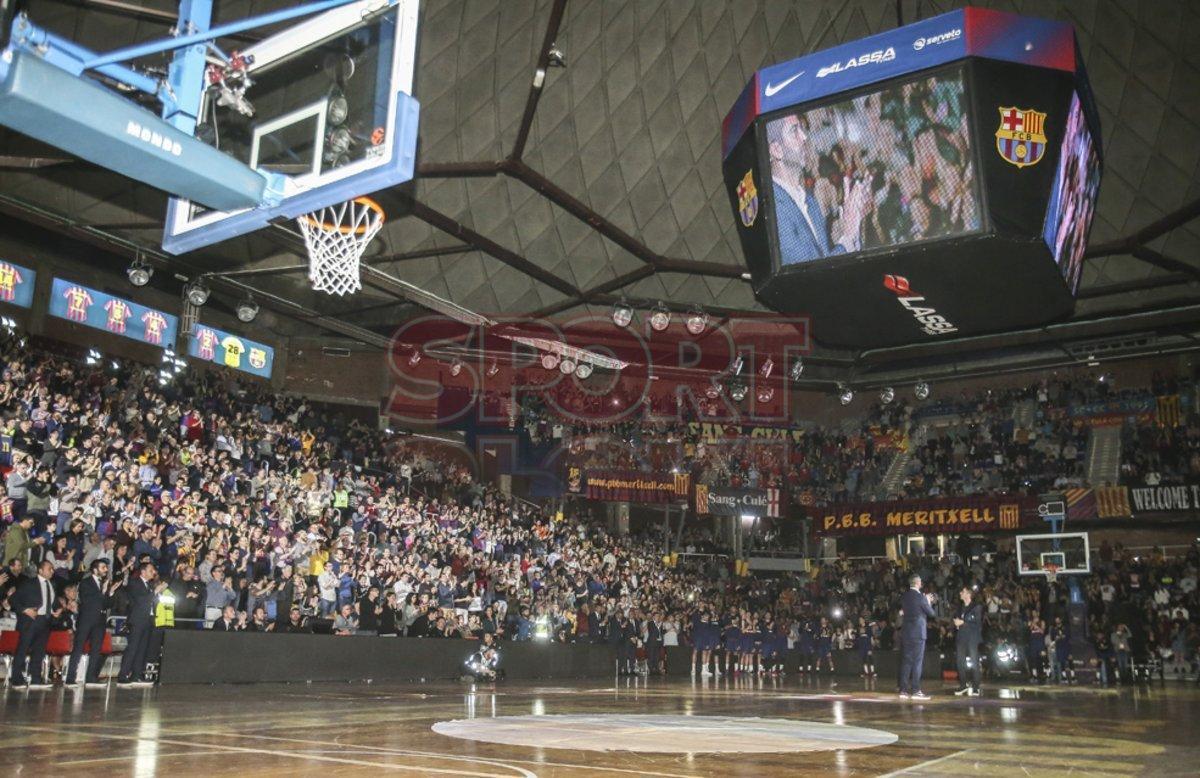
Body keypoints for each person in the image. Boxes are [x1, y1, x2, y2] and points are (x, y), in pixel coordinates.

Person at [766, 114, 873, 264]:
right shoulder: (773, 207)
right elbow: (810, 271)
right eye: (794, 131)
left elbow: (827, 261)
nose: (804, 137)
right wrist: (847, 238)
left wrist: (853, 224)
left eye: (802, 129)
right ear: (777, 150)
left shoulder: (810, 201)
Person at [11, 560, 57, 689]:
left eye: (53, 569)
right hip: (30, 621)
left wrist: (55, 611)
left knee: (39, 650)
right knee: (23, 649)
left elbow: (50, 603)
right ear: (40, 571)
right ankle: (16, 679)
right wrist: (25, 610)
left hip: (45, 621)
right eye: (49, 569)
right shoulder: (29, 583)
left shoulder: (51, 584)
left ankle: (36, 679)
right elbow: (13, 599)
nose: (52, 571)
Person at [66, 559, 112, 687]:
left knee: (96, 649)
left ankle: (91, 677)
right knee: (78, 648)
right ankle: (70, 678)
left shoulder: (104, 584)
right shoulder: (86, 583)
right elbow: (87, 600)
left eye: (106, 568)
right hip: (87, 619)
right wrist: (102, 592)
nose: (106, 570)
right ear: (95, 570)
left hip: (100, 620)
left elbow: (107, 604)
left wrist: (110, 592)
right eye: (103, 567)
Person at [117, 562, 159, 687]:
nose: (153, 572)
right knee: (133, 647)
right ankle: (123, 675)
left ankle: (137, 675)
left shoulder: (150, 585)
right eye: (151, 570)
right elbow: (141, 600)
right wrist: (155, 592)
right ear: (143, 571)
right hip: (137, 619)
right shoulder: (134, 583)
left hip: (148, 619)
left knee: (142, 649)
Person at [898, 573, 936, 700]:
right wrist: (928, 601)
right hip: (918, 633)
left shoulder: (904, 596)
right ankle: (916, 690)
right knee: (917, 661)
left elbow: (904, 611)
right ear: (917, 583)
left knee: (906, 661)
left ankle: (903, 690)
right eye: (920, 581)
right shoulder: (920, 597)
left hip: (906, 633)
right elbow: (931, 613)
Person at [953, 586, 982, 696]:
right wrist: (956, 623)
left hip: (972, 637)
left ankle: (976, 687)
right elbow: (957, 619)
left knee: (974, 661)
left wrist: (963, 623)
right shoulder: (959, 607)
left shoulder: (976, 607)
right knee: (960, 662)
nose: (960, 593)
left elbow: (977, 623)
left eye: (963, 592)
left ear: (968, 595)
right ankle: (963, 685)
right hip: (961, 637)